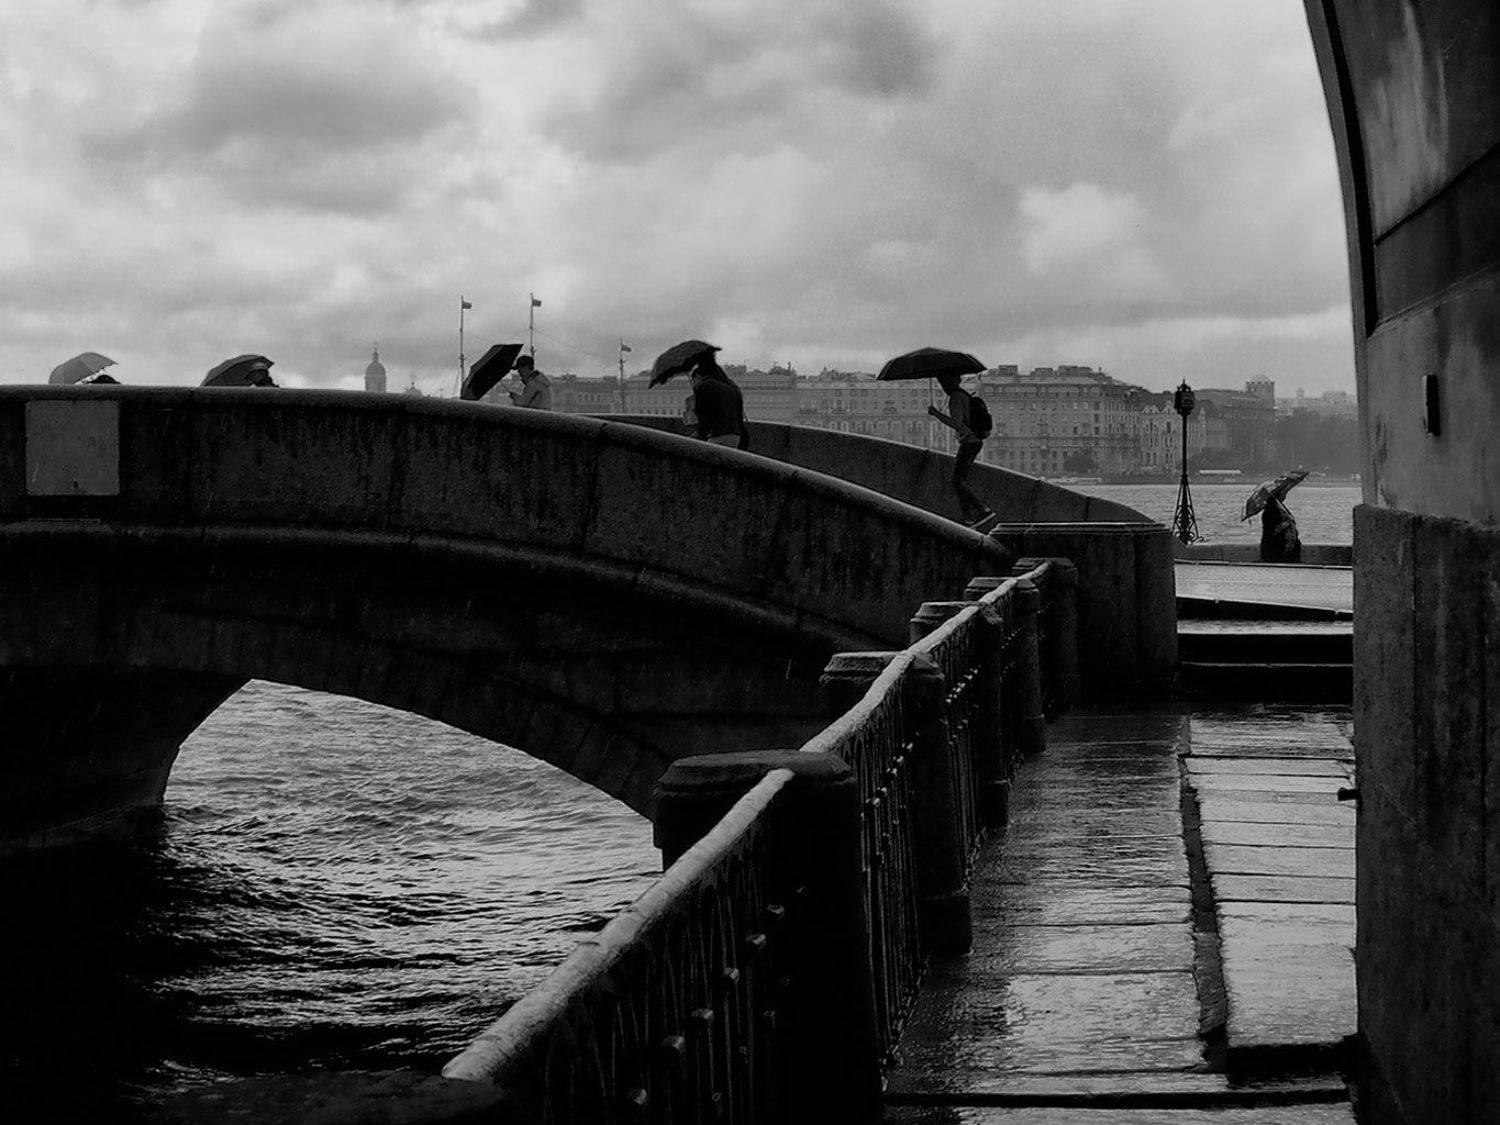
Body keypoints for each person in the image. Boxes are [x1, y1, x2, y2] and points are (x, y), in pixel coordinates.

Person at [928, 372, 994, 526]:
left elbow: (957, 423)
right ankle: (967, 517)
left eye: (943, 383)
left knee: (957, 480)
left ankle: (983, 509)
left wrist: (937, 414)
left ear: (949, 382)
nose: (943, 387)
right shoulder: (965, 395)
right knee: (960, 481)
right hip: (975, 441)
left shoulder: (956, 397)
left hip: (969, 442)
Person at [688, 353, 749, 450]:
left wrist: (698, 432)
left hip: (718, 434)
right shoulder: (729, 386)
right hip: (736, 436)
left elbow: (703, 415)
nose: (693, 385)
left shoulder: (705, 387)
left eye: (693, 381)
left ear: (698, 377)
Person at [1260, 495, 1302, 562]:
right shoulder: (1270, 511)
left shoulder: (1281, 507)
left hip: (1288, 547)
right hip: (1277, 548)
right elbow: (1272, 530)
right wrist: (1288, 522)